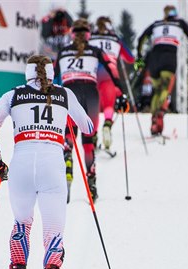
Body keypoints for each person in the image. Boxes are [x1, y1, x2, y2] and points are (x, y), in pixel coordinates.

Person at [0, 55, 95, 269]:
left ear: (27, 73)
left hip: (21, 166)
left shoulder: (13, 95)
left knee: (22, 224)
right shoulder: (64, 94)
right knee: (53, 234)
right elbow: (89, 127)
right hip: (52, 166)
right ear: (52, 72)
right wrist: (65, 117)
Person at [55, 19, 127, 202]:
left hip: (69, 92)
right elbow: (112, 72)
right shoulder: (96, 51)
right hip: (91, 94)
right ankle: (91, 183)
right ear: (89, 35)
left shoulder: (63, 52)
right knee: (88, 140)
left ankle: (67, 163)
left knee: (68, 136)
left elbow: (52, 75)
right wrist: (121, 93)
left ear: (72, 34)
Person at [137, 5, 188, 135]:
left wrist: (139, 56)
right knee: (165, 90)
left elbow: (141, 38)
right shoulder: (179, 23)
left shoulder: (156, 24)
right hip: (168, 60)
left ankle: (154, 120)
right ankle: (159, 114)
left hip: (154, 60)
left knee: (156, 91)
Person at [89, 16, 135, 150]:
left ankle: (93, 135)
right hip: (110, 73)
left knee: (94, 106)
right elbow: (131, 58)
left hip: (92, 72)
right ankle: (107, 125)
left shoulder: (90, 37)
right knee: (109, 104)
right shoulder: (116, 39)